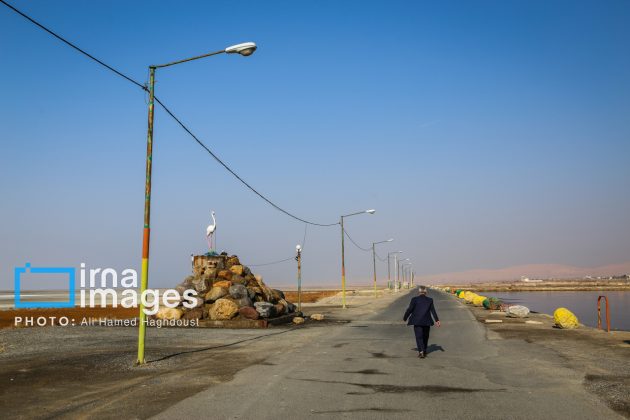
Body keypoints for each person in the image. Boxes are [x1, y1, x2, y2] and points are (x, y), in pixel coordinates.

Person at [403, 285, 440, 358]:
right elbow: (433, 311)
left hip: (417, 321)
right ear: (426, 292)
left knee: (419, 337)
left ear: (419, 292)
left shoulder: (414, 299)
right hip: (427, 321)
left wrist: (405, 317)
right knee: (425, 336)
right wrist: (437, 320)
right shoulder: (430, 300)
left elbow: (410, 309)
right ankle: (424, 350)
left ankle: (421, 351)